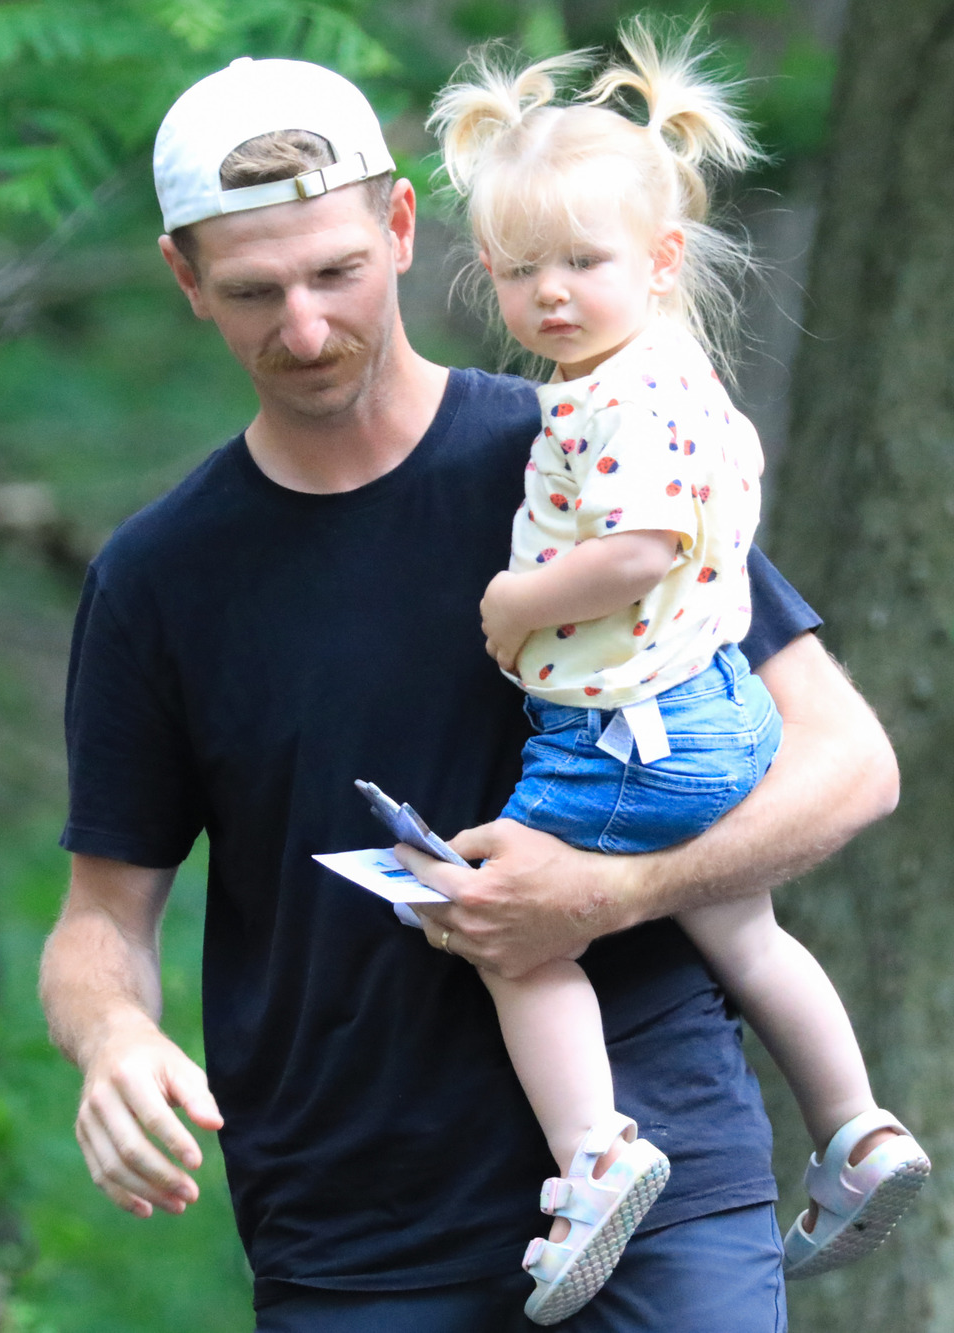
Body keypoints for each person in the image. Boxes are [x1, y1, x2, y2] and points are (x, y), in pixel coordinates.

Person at [38, 53, 899, 1332]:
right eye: (253, 292)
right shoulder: (160, 576)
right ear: (182, 279)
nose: (306, 326)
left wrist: (613, 893)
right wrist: (110, 1040)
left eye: (332, 273)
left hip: (665, 1198)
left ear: (397, 227)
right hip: (354, 1232)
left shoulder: (578, 446)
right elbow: (98, 919)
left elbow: (848, 762)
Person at [421, 27, 929, 1322]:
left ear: (657, 260)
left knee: (508, 922)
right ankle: (858, 1125)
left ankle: (598, 1152)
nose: (552, 296)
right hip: (719, 716)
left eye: (582, 264)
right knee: (743, 928)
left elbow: (644, 543)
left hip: (627, 737)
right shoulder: (676, 370)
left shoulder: (611, 404)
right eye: (524, 270)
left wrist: (516, 598)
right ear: (488, 270)